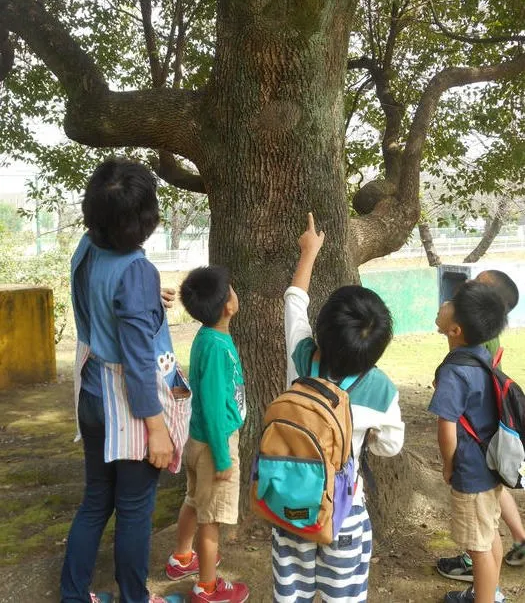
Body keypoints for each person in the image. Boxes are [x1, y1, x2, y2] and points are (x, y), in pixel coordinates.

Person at [60, 158, 190, 603]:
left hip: (91, 387)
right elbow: (138, 362)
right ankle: (136, 598)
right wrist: (157, 431)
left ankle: (74, 596)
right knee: (135, 508)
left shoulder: (87, 247)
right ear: (146, 219)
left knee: (96, 498)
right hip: (128, 402)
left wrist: (145, 300)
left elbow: (100, 301)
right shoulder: (136, 270)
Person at [272, 213, 405, 602]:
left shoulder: (301, 357)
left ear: (323, 328)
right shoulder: (381, 389)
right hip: (344, 512)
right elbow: (390, 447)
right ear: (376, 349)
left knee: (290, 593)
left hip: (289, 505)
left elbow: (294, 301)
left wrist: (309, 250)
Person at [165, 266, 249, 603]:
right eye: (231, 289)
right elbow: (214, 406)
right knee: (211, 516)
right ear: (228, 305)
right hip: (216, 442)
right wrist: (224, 457)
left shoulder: (208, 336)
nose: (234, 293)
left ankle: (182, 557)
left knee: (194, 500)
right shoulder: (215, 346)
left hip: (199, 438)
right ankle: (207, 587)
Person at [436, 270, 524, 585]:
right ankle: (489, 592)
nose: (449, 299)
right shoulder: (481, 354)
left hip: (470, 468)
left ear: (457, 328)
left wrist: (448, 465)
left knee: (479, 546)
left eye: (454, 302)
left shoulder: (454, 371)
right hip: (487, 461)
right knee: (487, 538)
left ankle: (485, 594)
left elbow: (446, 428)